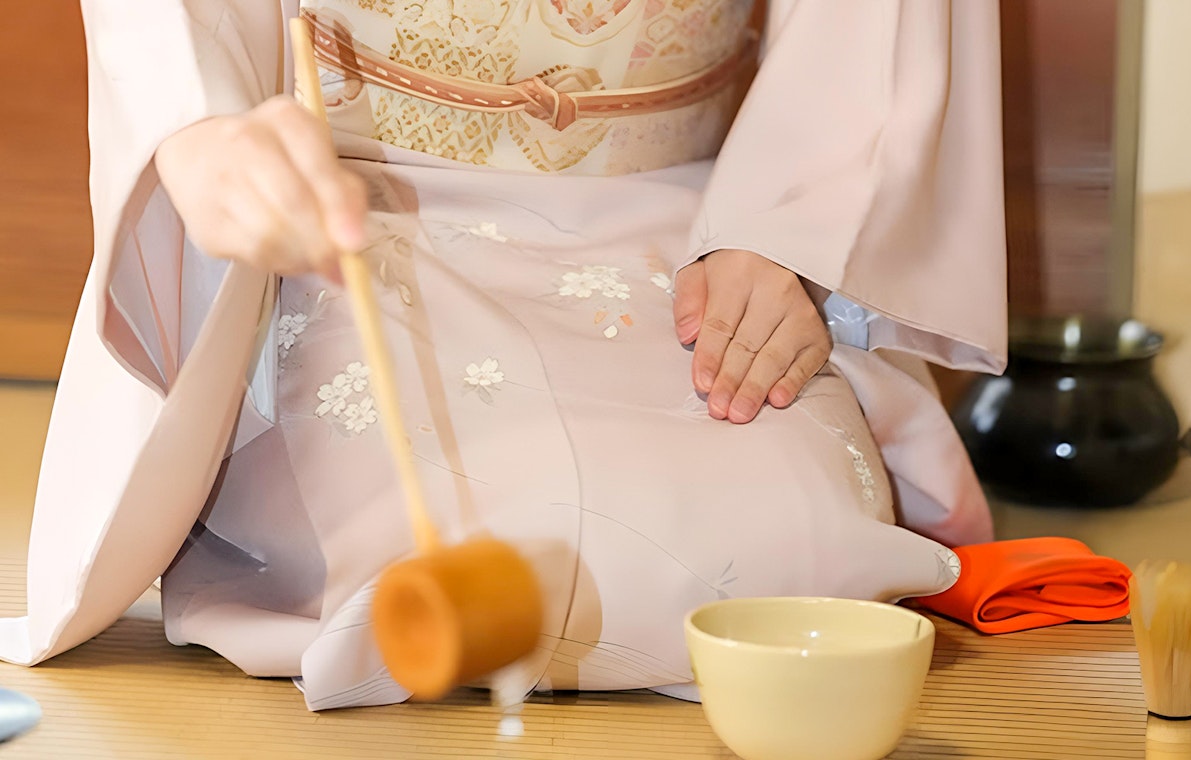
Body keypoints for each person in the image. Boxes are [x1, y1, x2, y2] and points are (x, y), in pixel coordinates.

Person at [0, 0, 1006, 710]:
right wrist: (203, 131)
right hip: (359, 203)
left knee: (796, 556)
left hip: (690, 223)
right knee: (436, 541)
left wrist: (788, 231)